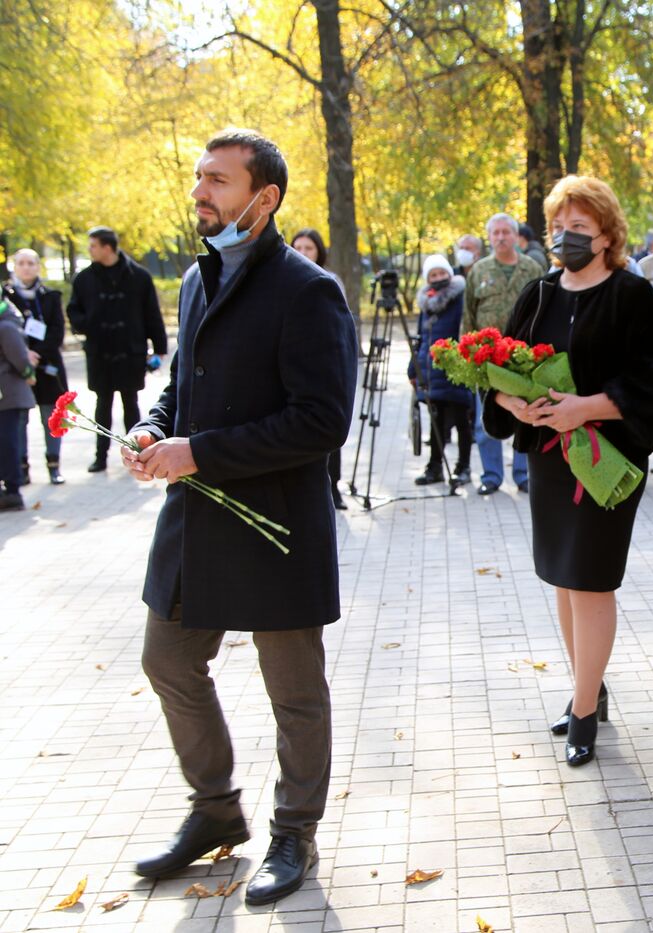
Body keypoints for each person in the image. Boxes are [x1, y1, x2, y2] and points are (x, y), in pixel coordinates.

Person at [123, 129, 356, 906]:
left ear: (264, 198)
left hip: (275, 526)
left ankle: (295, 830)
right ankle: (216, 808)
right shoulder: (194, 279)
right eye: (198, 178)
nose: (200, 192)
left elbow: (323, 421)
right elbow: (179, 386)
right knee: (167, 659)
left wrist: (201, 452)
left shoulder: (308, 289)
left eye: (217, 180)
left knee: (293, 688)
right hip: (195, 523)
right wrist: (156, 428)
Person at [483, 174, 653, 767]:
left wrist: (584, 408)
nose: (566, 238)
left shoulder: (630, 294)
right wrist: (511, 402)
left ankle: (584, 711)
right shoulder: (538, 294)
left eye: (579, 228)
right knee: (565, 579)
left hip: (607, 461)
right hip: (550, 462)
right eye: (559, 227)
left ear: (606, 234)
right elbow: (499, 370)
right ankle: (587, 687)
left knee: (592, 580)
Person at [66, 226, 167, 473]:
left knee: (131, 403)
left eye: (93, 245)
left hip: (130, 351)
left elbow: (151, 313)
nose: (90, 250)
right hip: (100, 352)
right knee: (102, 404)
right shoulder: (84, 278)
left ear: (107, 247)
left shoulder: (139, 276)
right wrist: (87, 324)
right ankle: (100, 456)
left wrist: (160, 348)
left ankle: (137, 454)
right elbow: (73, 310)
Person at [465, 213, 544, 495]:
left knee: (525, 413)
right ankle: (491, 475)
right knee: (484, 420)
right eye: (495, 233)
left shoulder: (533, 269)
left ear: (515, 236)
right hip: (487, 360)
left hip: (522, 359)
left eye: (505, 232)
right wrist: (470, 355)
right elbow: (469, 315)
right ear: (489, 238)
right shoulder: (478, 271)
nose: (500, 237)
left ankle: (523, 474)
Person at [291, 228, 348, 509]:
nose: (303, 253)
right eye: (297, 247)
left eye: (309, 248)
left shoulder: (328, 283)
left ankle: (333, 486)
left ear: (319, 252)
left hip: (324, 368)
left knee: (327, 431)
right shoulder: (282, 281)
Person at [4, 249, 69, 485]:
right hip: (16, 367)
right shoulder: (5, 296)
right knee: (18, 420)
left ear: (38, 267)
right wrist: (23, 355)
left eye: (31, 263)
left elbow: (56, 333)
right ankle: (20, 468)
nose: (26, 267)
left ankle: (54, 466)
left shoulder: (50, 296)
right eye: (21, 263)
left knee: (51, 416)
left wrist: (36, 354)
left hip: (48, 366)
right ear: (14, 267)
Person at [409, 255, 474, 486]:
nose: (438, 278)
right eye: (433, 275)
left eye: (441, 273)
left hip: (456, 369)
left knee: (461, 420)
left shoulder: (460, 299)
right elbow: (420, 338)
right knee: (436, 422)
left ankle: (463, 466)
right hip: (430, 371)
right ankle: (435, 467)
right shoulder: (426, 303)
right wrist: (413, 367)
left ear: (449, 273)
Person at [0, 296, 36, 511]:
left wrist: (29, 373)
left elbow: (21, 360)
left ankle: (13, 491)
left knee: (9, 443)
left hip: (10, 395)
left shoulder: (5, 327)